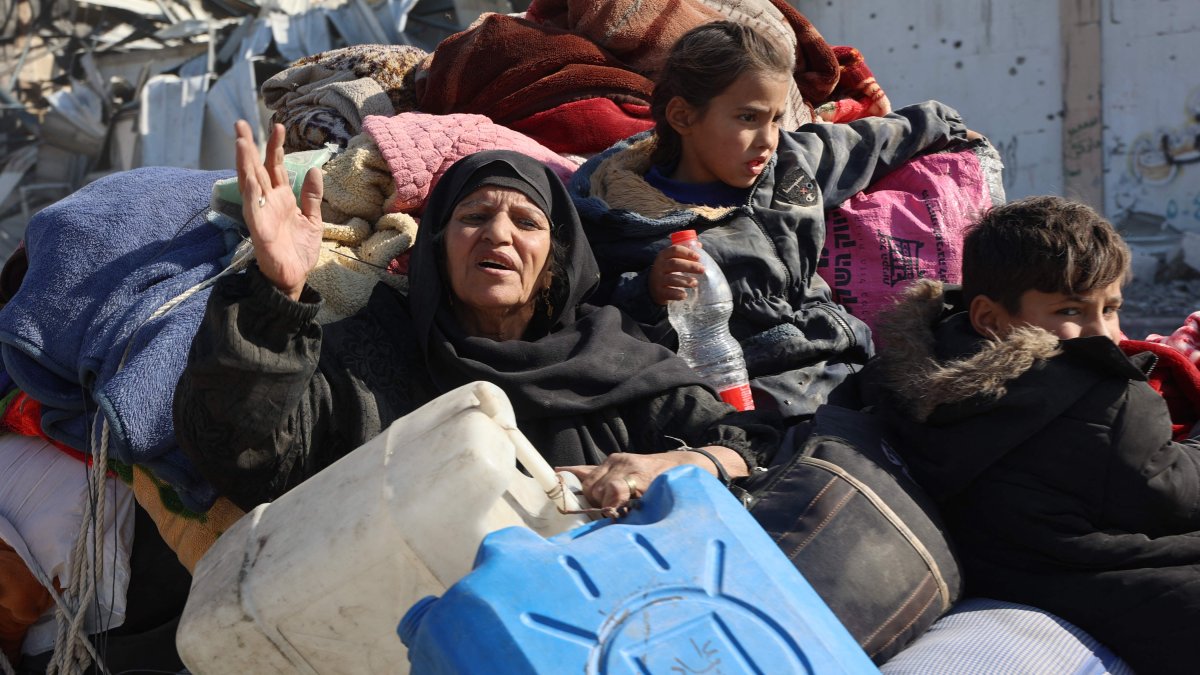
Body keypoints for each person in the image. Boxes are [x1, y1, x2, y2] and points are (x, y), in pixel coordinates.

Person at [173, 121, 776, 512]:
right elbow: (247, 458)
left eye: (527, 222)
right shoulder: (368, 358)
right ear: (436, 248)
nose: (498, 235)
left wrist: (676, 464)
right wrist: (275, 293)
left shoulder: (616, 359)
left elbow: (749, 446)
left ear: (554, 263)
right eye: (473, 216)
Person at [570, 21, 978, 423]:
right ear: (682, 117)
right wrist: (649, 293)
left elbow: (871, 141)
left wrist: (946, 124)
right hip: (752, 395)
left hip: (848, 360)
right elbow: (597, 322)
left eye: (775, 118)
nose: (767, 139)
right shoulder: (628, 223)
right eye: (748, 118)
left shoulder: (789, 165)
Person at [866, 196, 1200, 674]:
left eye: (1110, 309)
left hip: (1005, 569)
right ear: (989, 318)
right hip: (1107, 586)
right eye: (1072, 310)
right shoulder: (1102, 396)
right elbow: (1177, 493)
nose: (1103, 335)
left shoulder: (910, 369)